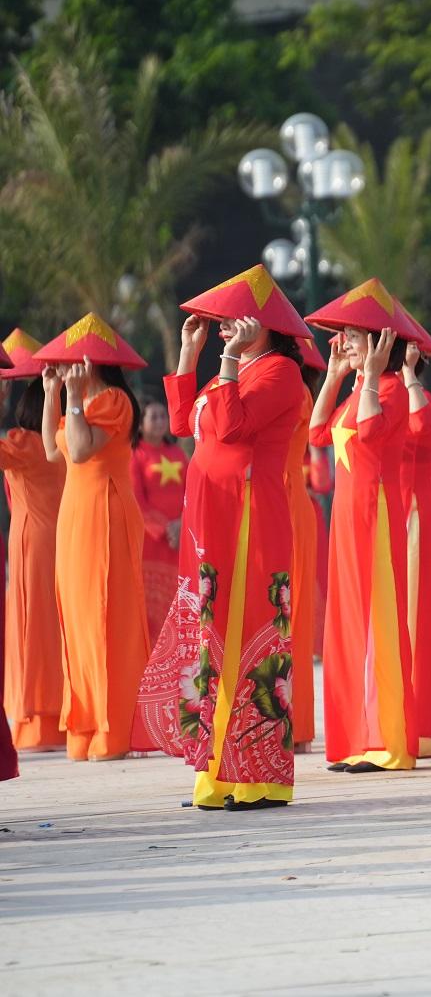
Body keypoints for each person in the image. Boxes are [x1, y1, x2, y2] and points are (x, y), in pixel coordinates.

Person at [135, 266, 311, 807]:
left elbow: (233, 428)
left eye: (242, 319)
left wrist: (229, 360)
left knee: (248, 631)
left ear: (269, 324)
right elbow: (187, 423)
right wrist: (190, 357)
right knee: (214, 631)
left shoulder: (280, 371)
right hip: (213, 516)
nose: (231, 326)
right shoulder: (229, 373)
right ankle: (216, 774)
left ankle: (261, 776)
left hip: (251, 516)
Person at [307, 280, 422, 773]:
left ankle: (387, 741)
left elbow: (373, 435)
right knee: (352, 624)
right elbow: (316, 433)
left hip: (374, 514)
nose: (345, 345)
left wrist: (372, 376)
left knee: (377, 621)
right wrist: (335, 376)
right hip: (347, 518)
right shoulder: (358, 391)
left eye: (353, 337)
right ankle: (357, 737)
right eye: (344, 337)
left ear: (380, 343)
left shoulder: (390, 391)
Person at [37, 313, 150, 762]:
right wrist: (51, 394)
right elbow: (53, 450)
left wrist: (73, 397)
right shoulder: (77, 400)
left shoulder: (114, 401)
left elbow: (82, 449)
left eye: (69, 363)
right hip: (75, 515)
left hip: (107, 513)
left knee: (108, 618)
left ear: (90, 363)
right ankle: (84, 722)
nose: (64, 369)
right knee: (79, 618)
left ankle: (113, 727)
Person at [1, 330, 65, 752]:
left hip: (32, 543)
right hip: (62, 537)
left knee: (32, 629)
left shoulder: (21, 444)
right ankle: (59, 712)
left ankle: (37, 716)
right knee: (57, 629)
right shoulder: (61, 437)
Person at [399, 337, 431, 758]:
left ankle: (418, 730)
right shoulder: (371, 397)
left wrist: (407, 373)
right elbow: (321, 433)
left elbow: (421, 425)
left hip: (413, 520)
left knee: (414, 623)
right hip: (376, 523)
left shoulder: (420, 398)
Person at [286, 336, 325, 752]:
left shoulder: (295, 395)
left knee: (290, 614)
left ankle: (294, 724)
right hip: (269, 498)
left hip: (287, 500)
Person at [131, 398, 187, 646]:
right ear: (140, 424)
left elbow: (192, 493)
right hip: (151, 543)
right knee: (149, 602)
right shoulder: (136, 455)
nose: (159, 421)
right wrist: (166, 529)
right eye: (153, 417)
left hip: (180, 539)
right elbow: (136, 500)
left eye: (163, 416)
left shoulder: (178, 453)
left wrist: (182, 524)